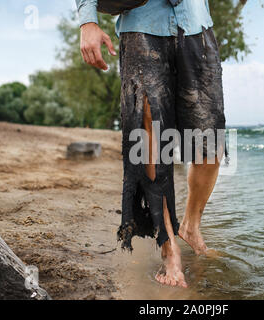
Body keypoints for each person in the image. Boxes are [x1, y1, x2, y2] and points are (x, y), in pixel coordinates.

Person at [75, 0, 226, 288]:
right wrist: (87, 22)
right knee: (150, 140)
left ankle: (191, 226)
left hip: (195, 24)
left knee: (210, 142)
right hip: (142, 25)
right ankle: (168, 245)